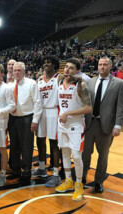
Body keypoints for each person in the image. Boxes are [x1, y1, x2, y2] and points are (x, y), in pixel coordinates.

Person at [83, 56, 123, 193]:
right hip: (89, 124)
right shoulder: (90, 81)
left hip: (106, 125)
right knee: (85, 153)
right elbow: (85, 103)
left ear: (110, 66)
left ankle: (99, 181)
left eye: (105, 64)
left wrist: (118, 125)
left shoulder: (118, 83)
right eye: (100, 64)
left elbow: (120, 106)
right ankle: (82, 177)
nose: (102, 67)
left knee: (103, 156)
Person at [55, 59, 92, 202]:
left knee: (76, 156)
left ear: (77, 70)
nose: (67, 70)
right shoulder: (60, 82)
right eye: (65, 67)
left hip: (76, 125)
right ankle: (68, 181)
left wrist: (67, 113)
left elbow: (88, 108)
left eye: (71, 68)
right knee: (64, 153)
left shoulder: (80, 84)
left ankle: (79, 184)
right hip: (62, 124)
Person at [8, 62, 42, 185]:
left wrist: (35, 120)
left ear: (24, 71)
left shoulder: (31, 83)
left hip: (27, 118)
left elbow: (38, 102)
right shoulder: (10, 85)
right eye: (15, 70)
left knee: (26, 147)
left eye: (19, 70)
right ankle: (16, 170)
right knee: (14, 146)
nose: (16, 72)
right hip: (13, 118)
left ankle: (26, 173)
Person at [32, 56, 63, 187]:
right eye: (44, 62)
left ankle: (56, 174)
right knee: (40, 140)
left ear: (54, 65)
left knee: (54, 143)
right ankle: (42, 167)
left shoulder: (59, 78)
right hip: (40, 111)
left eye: (48, 62)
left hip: (53, 111)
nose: (46, 64)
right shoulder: (39, 80)